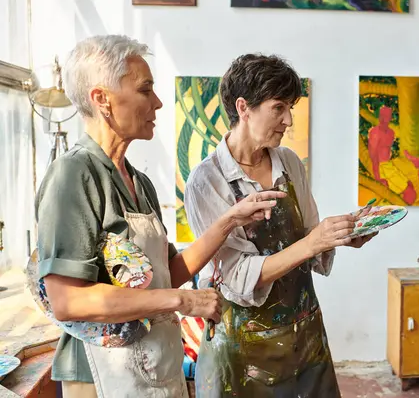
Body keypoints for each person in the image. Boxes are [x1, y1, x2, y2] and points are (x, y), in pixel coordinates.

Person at [35, 35, 284, 398]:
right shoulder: (73, 175)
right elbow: (68, 301)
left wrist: (231, 220)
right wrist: (181, 301)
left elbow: (171, 271)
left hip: (155, 364)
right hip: (102, 374)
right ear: (101, 99)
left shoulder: (139, 181)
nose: (159, 102)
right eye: (145, 89)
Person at [184, 53, 377, 398]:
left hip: (305, 336)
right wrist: (313, 243)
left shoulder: (288, 162)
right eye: (278, 107)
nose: (288, 120)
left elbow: (309, 235)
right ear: (243, 107)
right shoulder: (207, 181)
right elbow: (238, 276)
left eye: (291, 107)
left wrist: (343, 235)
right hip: (245, 351)